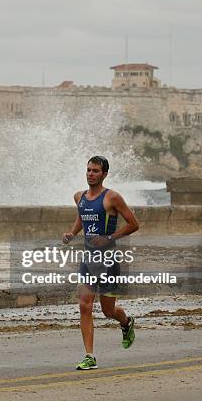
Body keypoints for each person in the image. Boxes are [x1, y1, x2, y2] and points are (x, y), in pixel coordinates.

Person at [62, 156, 139, 370]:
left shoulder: (112, 197)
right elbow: (82, 217)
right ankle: (89, 356)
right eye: (88, 170)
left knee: (108, 311)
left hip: (108, 261)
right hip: (88, 260)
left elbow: (134, 224)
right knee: (84, 305)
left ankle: (125, 322)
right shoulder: (80, 197)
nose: (90, 174)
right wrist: (72, 233)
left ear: (104, 174)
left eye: (95, 171)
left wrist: (109, 238)